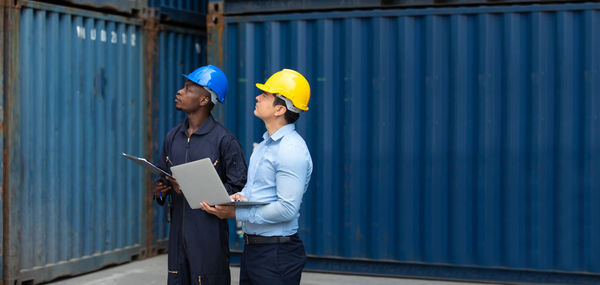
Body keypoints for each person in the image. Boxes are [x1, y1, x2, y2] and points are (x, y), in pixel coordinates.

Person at [201, 68, 313, 285]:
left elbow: (287, 209)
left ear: (280, 109)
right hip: (255, 250)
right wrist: (238, 199)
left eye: (265, 95)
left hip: (276, 254)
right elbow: (257, 192)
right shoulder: (264, 146)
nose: (257, 97)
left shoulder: (291, 150)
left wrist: (236, 214)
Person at [154, 65, 247, 285]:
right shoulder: (173, 137)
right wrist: (160, 190)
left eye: (188, 89)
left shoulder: (224, 140)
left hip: (208, 239)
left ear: (205, 100)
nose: (180, 91)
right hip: (178, 237)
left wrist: (198, 188)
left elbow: (239, 188)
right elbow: (160, 179)